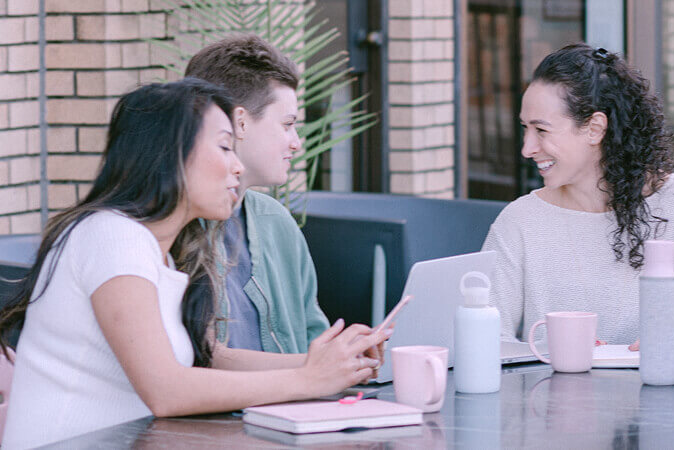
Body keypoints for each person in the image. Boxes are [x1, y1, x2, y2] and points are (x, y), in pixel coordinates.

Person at [0, 79, 388, 449]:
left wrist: (328, 364)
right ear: (171, 154)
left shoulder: (161, 251)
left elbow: (212, 357)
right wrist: (307, 380)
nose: (237, 166)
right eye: (224, 147)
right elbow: (167, 390)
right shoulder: (112, 236)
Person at [483, 43, 674, 345]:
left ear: (595, 128)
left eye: (541, 130)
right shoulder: (520, 220)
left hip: (665, 375)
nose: (527, 148)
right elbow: (487, 333)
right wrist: (547, 352)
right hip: (555, 378)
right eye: (525, 128)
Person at [182, 35, 329, 356]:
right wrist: (313, 369)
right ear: (240, 123)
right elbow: (201, 362)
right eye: (287, 125)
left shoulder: (276, 221)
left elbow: (313, 335)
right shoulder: (171, 227)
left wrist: (347, 355)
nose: (296, 143)